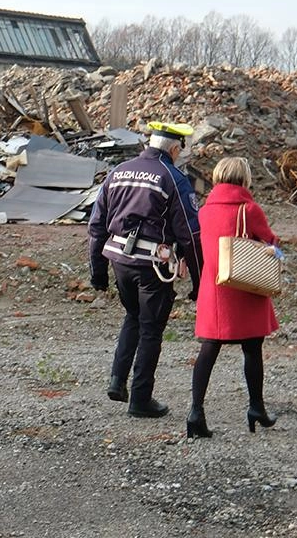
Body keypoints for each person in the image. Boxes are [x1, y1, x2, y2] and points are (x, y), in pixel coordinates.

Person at [88, 121, 203, 418]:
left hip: (119, 260)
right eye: (180, 150)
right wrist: (199, 282)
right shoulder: (173, 178)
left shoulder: (118, 171)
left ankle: (117, 379)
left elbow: (97, 225)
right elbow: (190, 233)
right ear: (174, 149)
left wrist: (98, 272)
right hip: (153, 264)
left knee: (133, 316)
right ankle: (140, 399)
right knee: (151, 329)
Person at [186, 157, 280, 438]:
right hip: (244, 287)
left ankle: (195, 412)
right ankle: (256, 407)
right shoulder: (249, 209)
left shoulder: (204, 211)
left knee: (209, 349)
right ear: (245, 178)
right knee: (252, 348)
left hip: (214, 289)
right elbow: (271, 243)